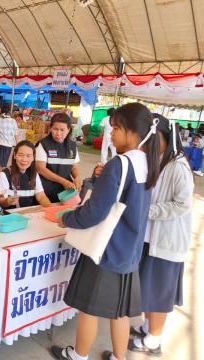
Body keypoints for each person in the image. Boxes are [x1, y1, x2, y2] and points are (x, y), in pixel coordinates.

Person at [50, 102, 161, 360]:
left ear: (131, 131)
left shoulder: (120, 164)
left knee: (88, 307)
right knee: (119, 310)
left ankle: (78, 355)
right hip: (129, 250)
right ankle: (119, 357)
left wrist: (67, 219)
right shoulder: (147, 163)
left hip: (106, 248)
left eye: (116, 128)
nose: (110, 134)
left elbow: (95, 212)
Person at [128, 115, 193, 357]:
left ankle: (154, 341)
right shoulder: (158, 161)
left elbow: (182, 204)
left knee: (159, 293)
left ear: (166, 138)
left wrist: (147, 211)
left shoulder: (178, 166)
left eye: (153, 139)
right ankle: (147, 327)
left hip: (166, 242)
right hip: (149, 237)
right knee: (149, 288)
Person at [36, 113, 81, 203]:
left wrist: (77, 177)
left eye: (62, 130)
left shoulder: (72, 146)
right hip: (45, 193)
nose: (58, 133)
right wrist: (64, 182)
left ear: (68, 130)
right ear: (50, 128)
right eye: (55, 129)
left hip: (65, 192)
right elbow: (41, 169)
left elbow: (75, 166)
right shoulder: (43, 144)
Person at [0, 140, 51, 210]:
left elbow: (41, 197)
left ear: (33, 157)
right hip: (9, 217)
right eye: (21, 155)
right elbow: (0, 201)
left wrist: (50, 208)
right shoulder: (3, 175)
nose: (24, 159)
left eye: (28, 156)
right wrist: (8, 201)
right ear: (14, 155)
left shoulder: (34, 174)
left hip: (28, 214)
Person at [0, 104, 19, 174]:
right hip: (8, 145)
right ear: (9, 112)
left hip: (0, 143)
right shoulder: (13, 121)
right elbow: (16, 133)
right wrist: (18, 144)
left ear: (1, 111)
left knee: (0, 161)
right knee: (3, 162)